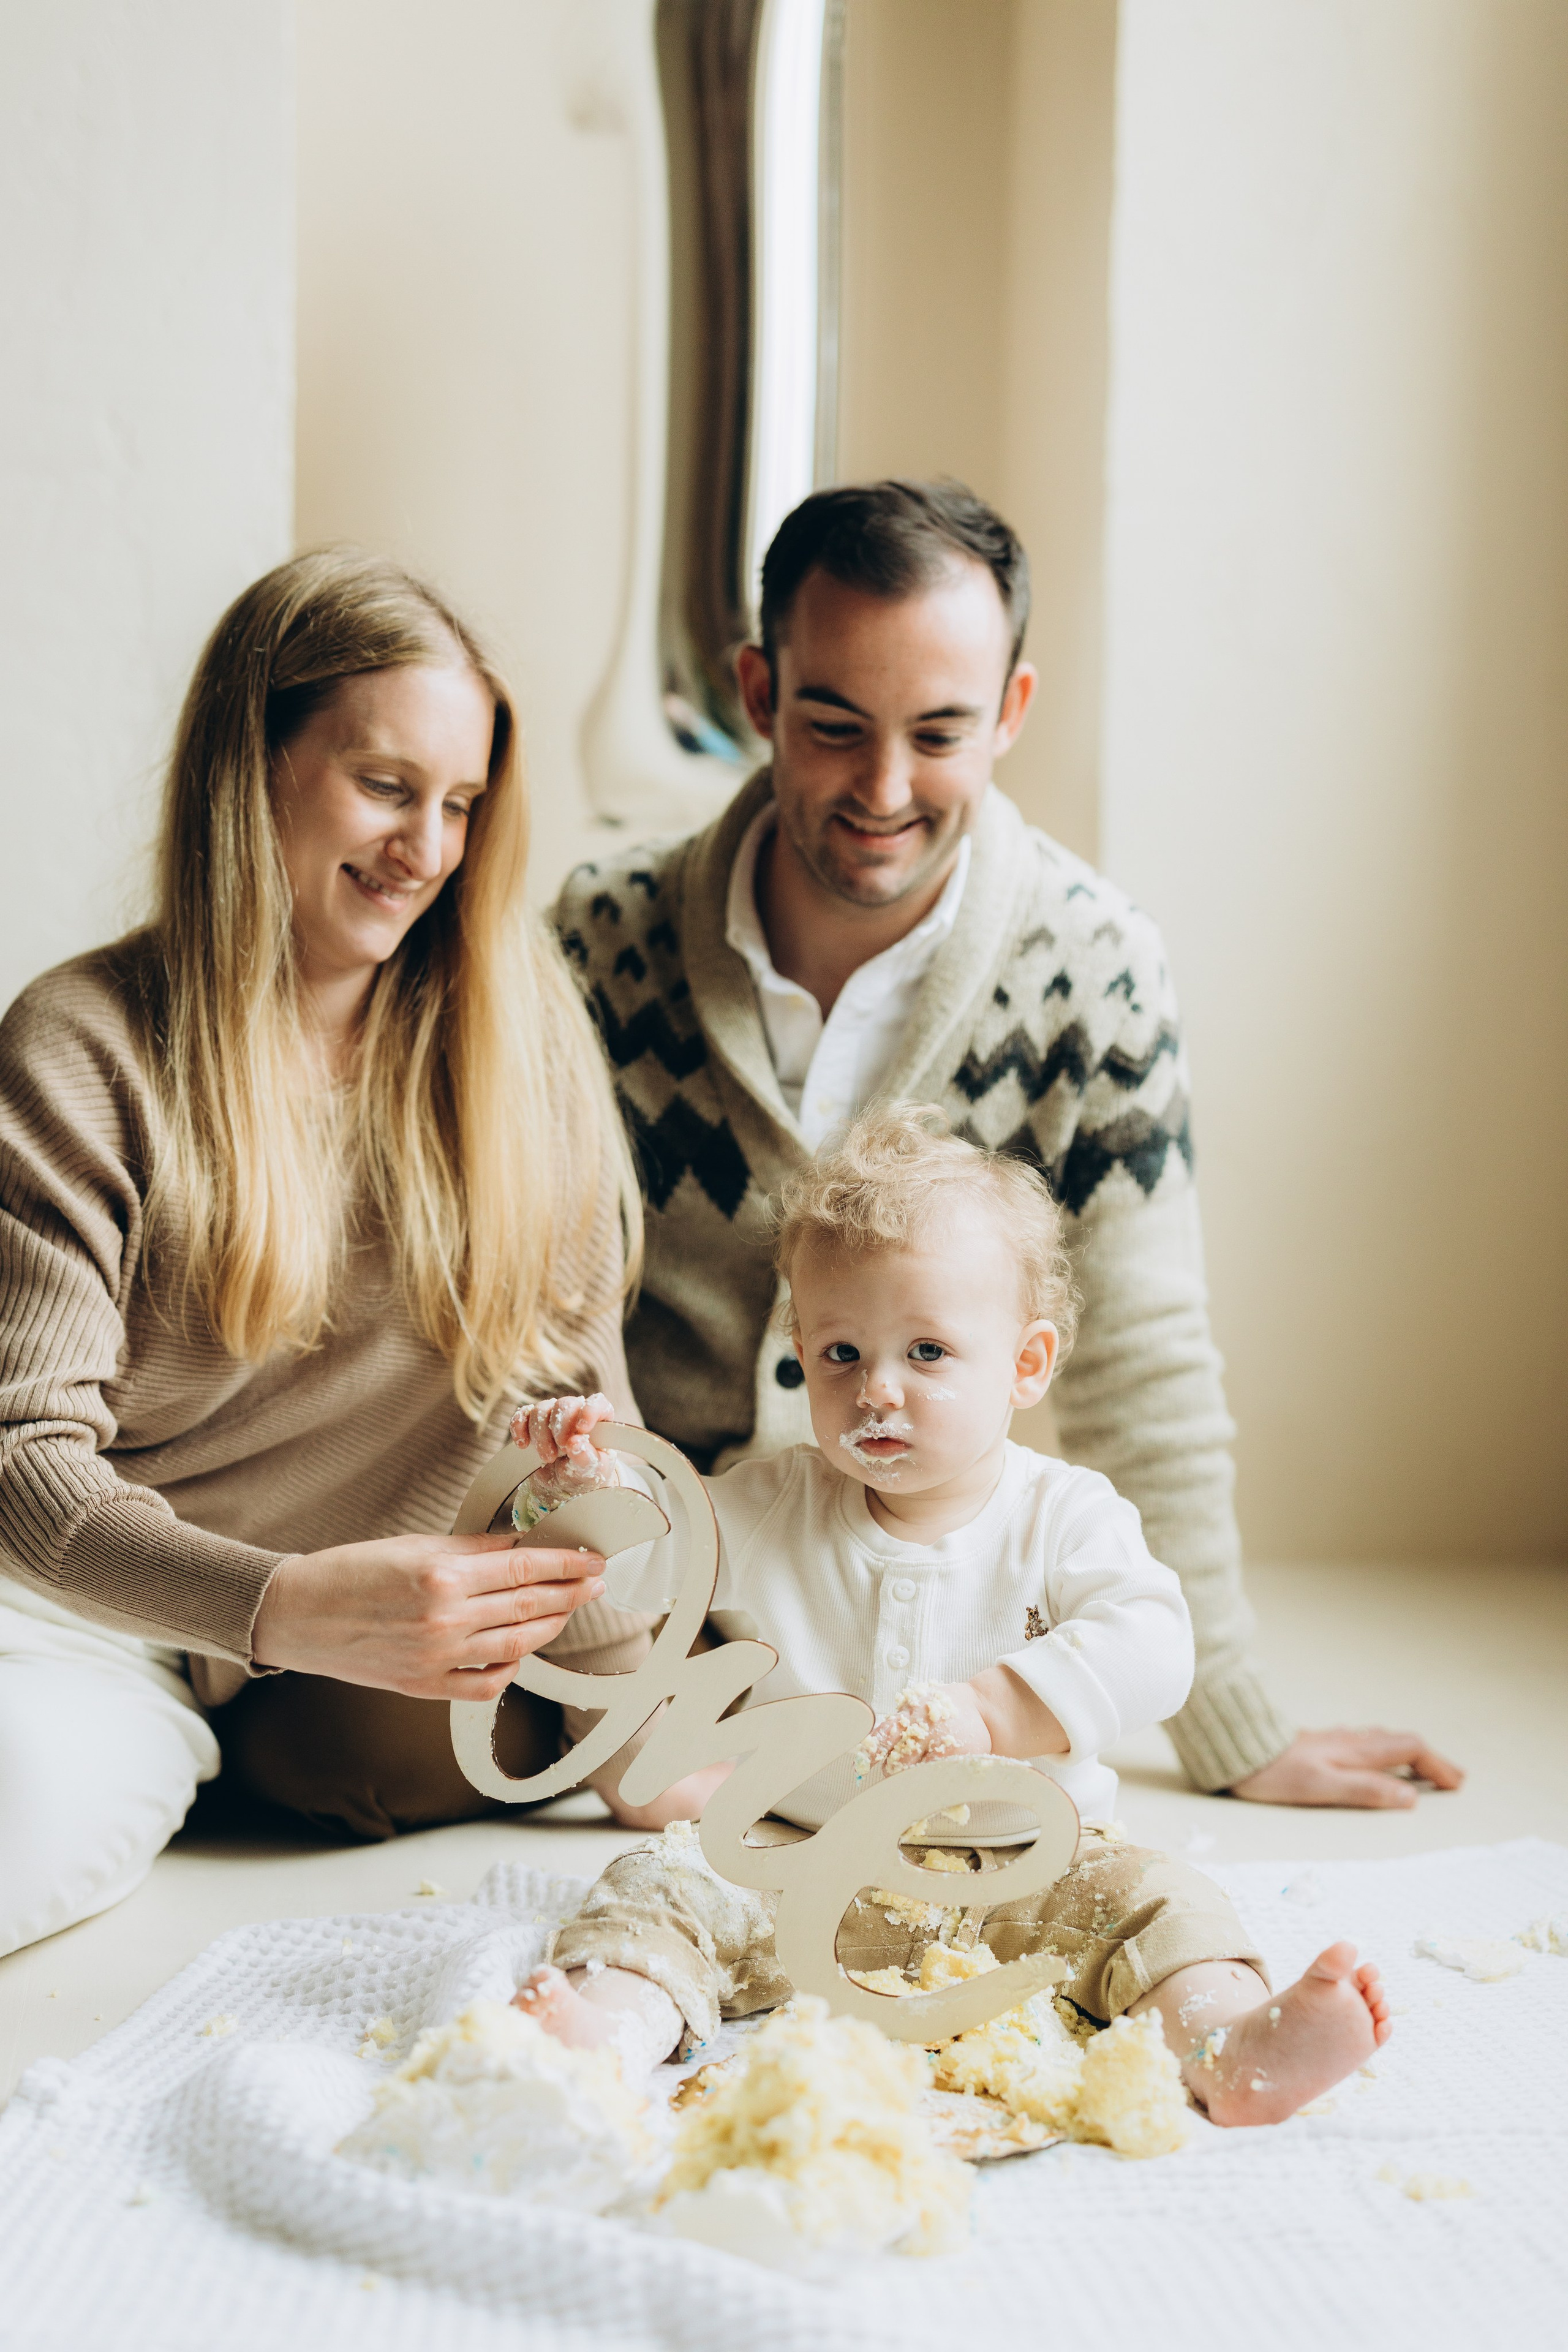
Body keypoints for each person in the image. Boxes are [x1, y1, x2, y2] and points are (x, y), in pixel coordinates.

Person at [556, 477, 1461, 1811]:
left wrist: (1232, 1725)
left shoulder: (1093, 968)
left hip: (925, 1642)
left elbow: (1141, 1360)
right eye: (831, 725)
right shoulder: (599, 939)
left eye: (939, 734)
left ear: (1011, 715)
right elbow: (532, 1303)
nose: (883, 788)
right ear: (757, 691)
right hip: (649, 1618)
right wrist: (624, 1644)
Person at [0, 549, 652, 1960]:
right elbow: (23, 1468)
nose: (426, 846)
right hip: (62, 1597)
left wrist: (635, 1742)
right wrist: (277, 1606)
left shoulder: (513, 1055)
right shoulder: (83, 1044)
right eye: (384, 785)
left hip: (205, 1661)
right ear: (259, 764)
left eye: (462, 803)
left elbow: (580, 1435)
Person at [509, 1106, 1393, 2124]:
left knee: (1159, 1901)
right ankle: (605, 2036)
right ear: (799, 1352)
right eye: (840, 1354)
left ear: (1026, 1363)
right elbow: (634, 1571)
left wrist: (1003, 1710)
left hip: (1035, 1865)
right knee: (661, 1883)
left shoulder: (1064, 1515)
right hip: (800, 1861)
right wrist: (578, 1484)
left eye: (927, 1352)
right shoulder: (771, 1502)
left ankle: (1232, 2043)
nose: (877, 1390)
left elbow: (1155, 1644)